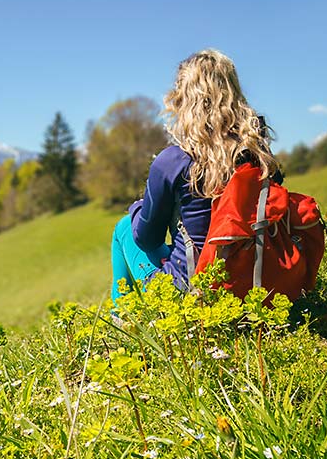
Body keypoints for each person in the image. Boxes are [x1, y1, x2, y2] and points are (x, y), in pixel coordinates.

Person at [110, 49, 281, 302]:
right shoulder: (259, 153)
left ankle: (123, 318)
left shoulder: (173, 161)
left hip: (193, 293)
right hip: (253, 280)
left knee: (124, 228)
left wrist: (138, 208)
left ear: (182, 99)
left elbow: (146, 240)